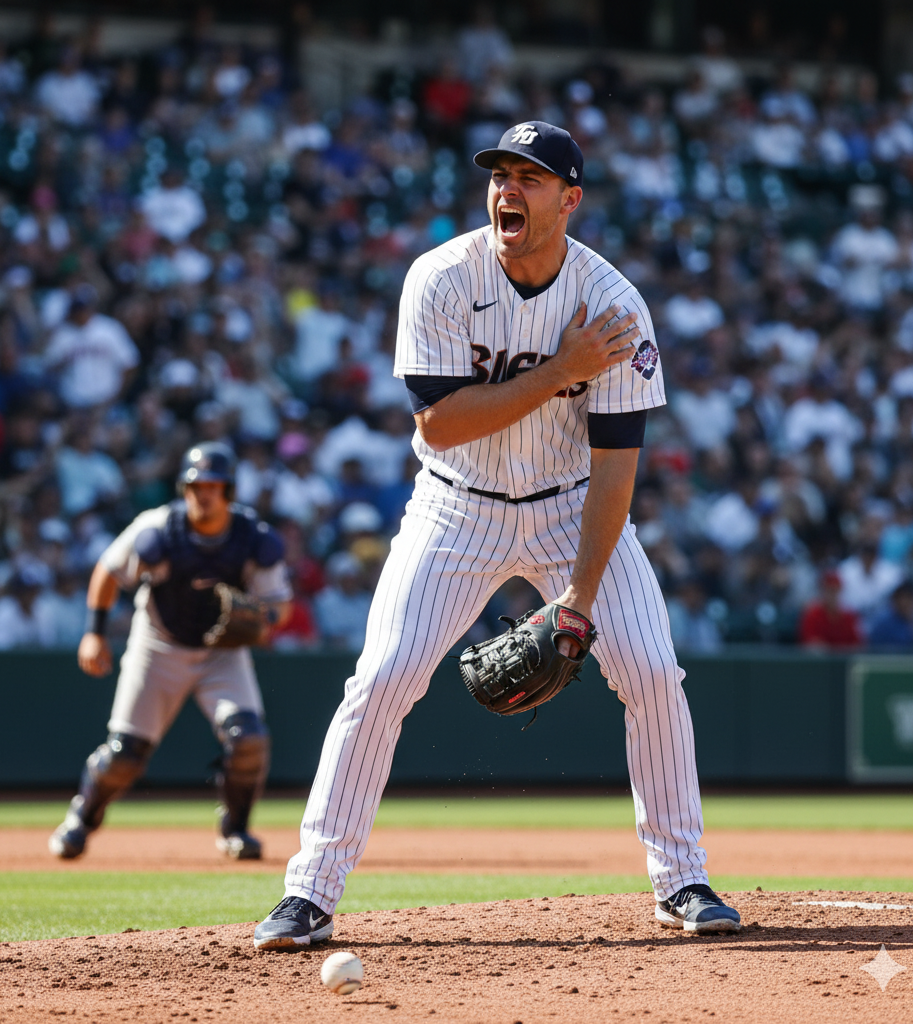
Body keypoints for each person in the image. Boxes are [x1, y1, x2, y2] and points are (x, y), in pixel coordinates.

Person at [253, 121, 741, 950]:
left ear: (570, 199)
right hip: (456, 507)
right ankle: (310, 891)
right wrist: (560, 371)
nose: (508, 189)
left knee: (654, 672)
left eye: (530, 177)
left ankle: (681, 879)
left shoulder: (614, 305)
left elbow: (616, 469)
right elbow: (440, 425)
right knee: (383, 679)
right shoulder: (441, 277)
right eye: (500, 175)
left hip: (571, 506)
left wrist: (580, 597)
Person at [48, 442, 291, 861]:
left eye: (213, 486)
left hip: (220, 651)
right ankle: (81, 819)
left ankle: (235, 829)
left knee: (249, 739)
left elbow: (280, 606)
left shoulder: (252, 537)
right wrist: (95, 633)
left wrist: (263, 619)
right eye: (196, 486)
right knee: (124, 755)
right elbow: (108, 571)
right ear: (184, 488)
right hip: (159, 644)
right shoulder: (158, 528)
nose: (203, 494)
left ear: (229, 491)